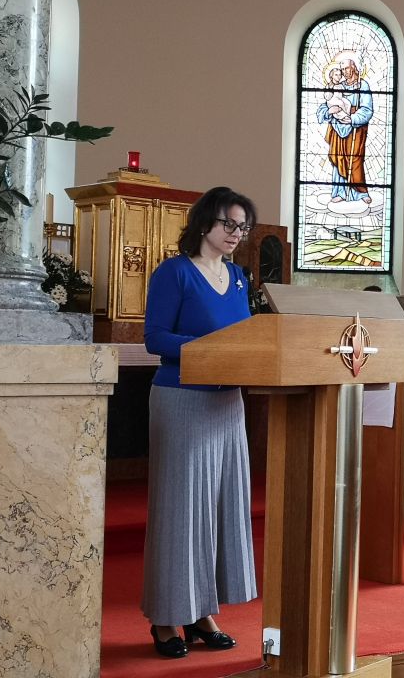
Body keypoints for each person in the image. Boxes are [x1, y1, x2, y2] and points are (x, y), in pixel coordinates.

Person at [141, 186, 259, 659]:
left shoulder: (237, 278)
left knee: (217, 510)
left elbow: (246, 334)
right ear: (205, 221)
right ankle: (165, 617)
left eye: (243, 227)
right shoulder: (174, 272)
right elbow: (155, 338)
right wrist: (209, 351)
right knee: (180, 511)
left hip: (227, 403)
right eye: (229, 223)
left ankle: (201, 611)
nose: (236, 233)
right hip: (183, 400)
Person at [316, 51, 374, 204]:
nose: (344, 72)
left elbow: (367, 109)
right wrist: (329, 111)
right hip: (338, 129)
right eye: (342, 69)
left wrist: (353, 118)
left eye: (347, 68)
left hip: (355, 130)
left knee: (355, 160)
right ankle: (340, 192)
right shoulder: (339, 86)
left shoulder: (363, 85)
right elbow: (326, 104)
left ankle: (360, 192)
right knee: (339, 158)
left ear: (354, 68)